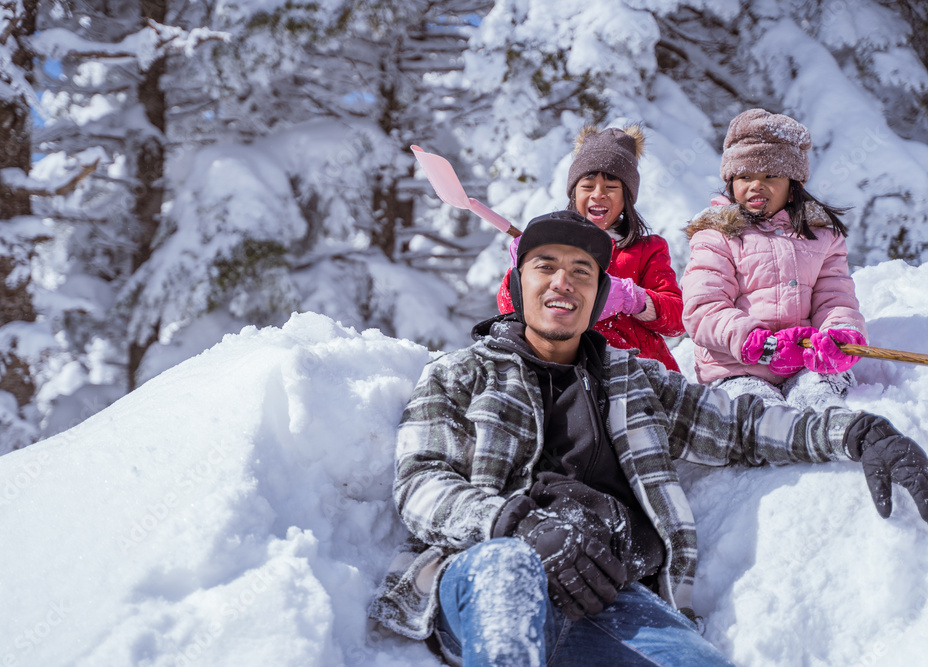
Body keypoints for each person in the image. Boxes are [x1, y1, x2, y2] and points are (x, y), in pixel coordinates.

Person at [368, 210, 928, 667]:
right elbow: (421, 484)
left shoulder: (633, 379)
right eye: (546, 267)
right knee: (508, 570)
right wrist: (516, 524)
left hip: (608, 592)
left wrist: (857, 431)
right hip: (487, 575)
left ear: (598, 294)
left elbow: (738, 424)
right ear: (517, 283)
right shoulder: (460, 373)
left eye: (582, 272)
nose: (564, 282)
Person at [681, 108, 868, 411]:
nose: (756, 185)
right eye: (745, 176)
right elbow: (703, 309)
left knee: (823, 401)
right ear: (731, 182)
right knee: (759, 417)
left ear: (794, 186)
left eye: (770, 175)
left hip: (806, 363)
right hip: (737, 366)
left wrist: (840, 334)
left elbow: (834, 299)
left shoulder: (821, 237)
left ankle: (834, 438)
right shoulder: (716, 237)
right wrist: (759, 344)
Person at [495, 125, 685, 372]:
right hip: (567, 369)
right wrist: (521, 272)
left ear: (627, 198)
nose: (599, 194)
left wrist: (634, 299)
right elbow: (509, 310)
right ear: (574, 193)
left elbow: (677, 321)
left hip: (639, 371)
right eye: (588, 186)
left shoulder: (647, 249)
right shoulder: (550, 245)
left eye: (611, 187)